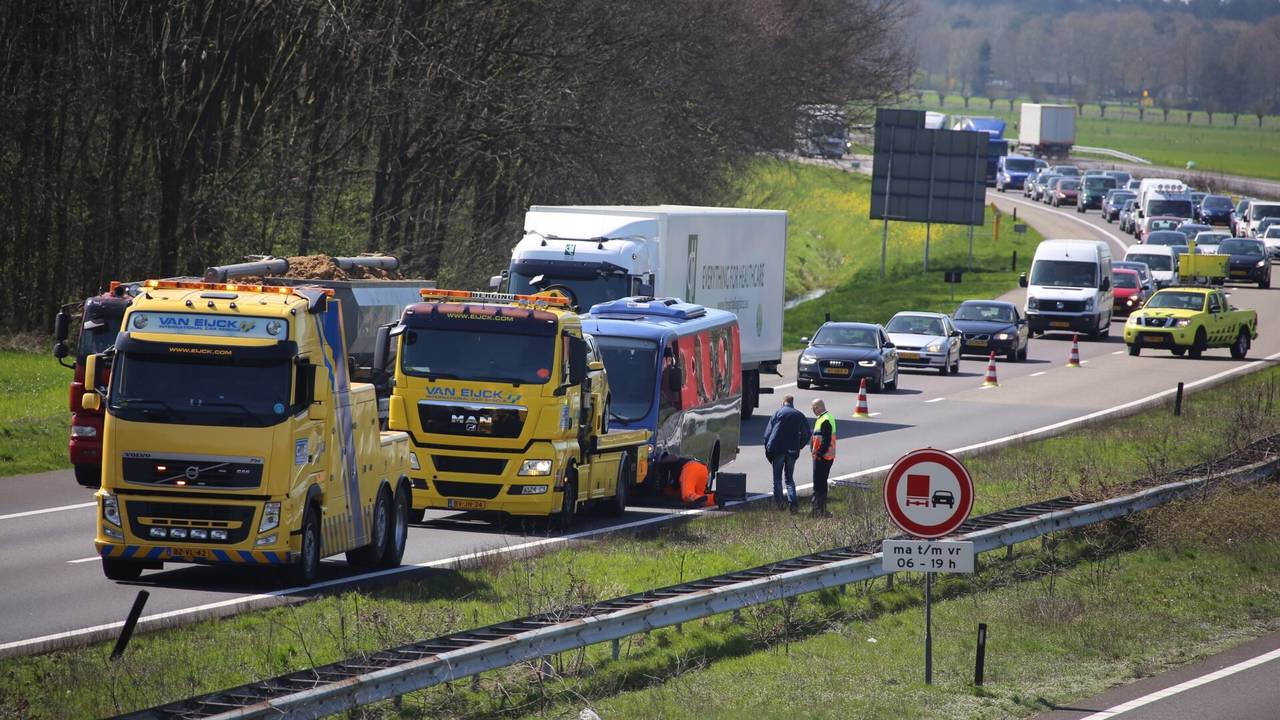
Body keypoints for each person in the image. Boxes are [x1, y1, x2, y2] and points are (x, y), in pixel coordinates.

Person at [763, 395, 810, 511]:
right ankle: (793, 504)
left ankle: (780, 505)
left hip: (777, 449)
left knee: (777, 479)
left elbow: (767, 434)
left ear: (783, 402)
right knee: (789, 478)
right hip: (792, 451)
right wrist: (799, 446)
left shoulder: (778, 413)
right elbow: (807, 434)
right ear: (792, 402)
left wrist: (767, 448)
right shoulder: (799, 415)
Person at [809, 398, 836, 516]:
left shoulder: (825, 420)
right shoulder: (826, 417)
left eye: (813, 409)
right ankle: (820, 509)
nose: (813, 411)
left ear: (817, 408)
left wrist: (819, 454)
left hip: (823, 456)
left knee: (818, 483)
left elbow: (826, 440)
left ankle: (818, 510)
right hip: (826, 455)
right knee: (821, 482)